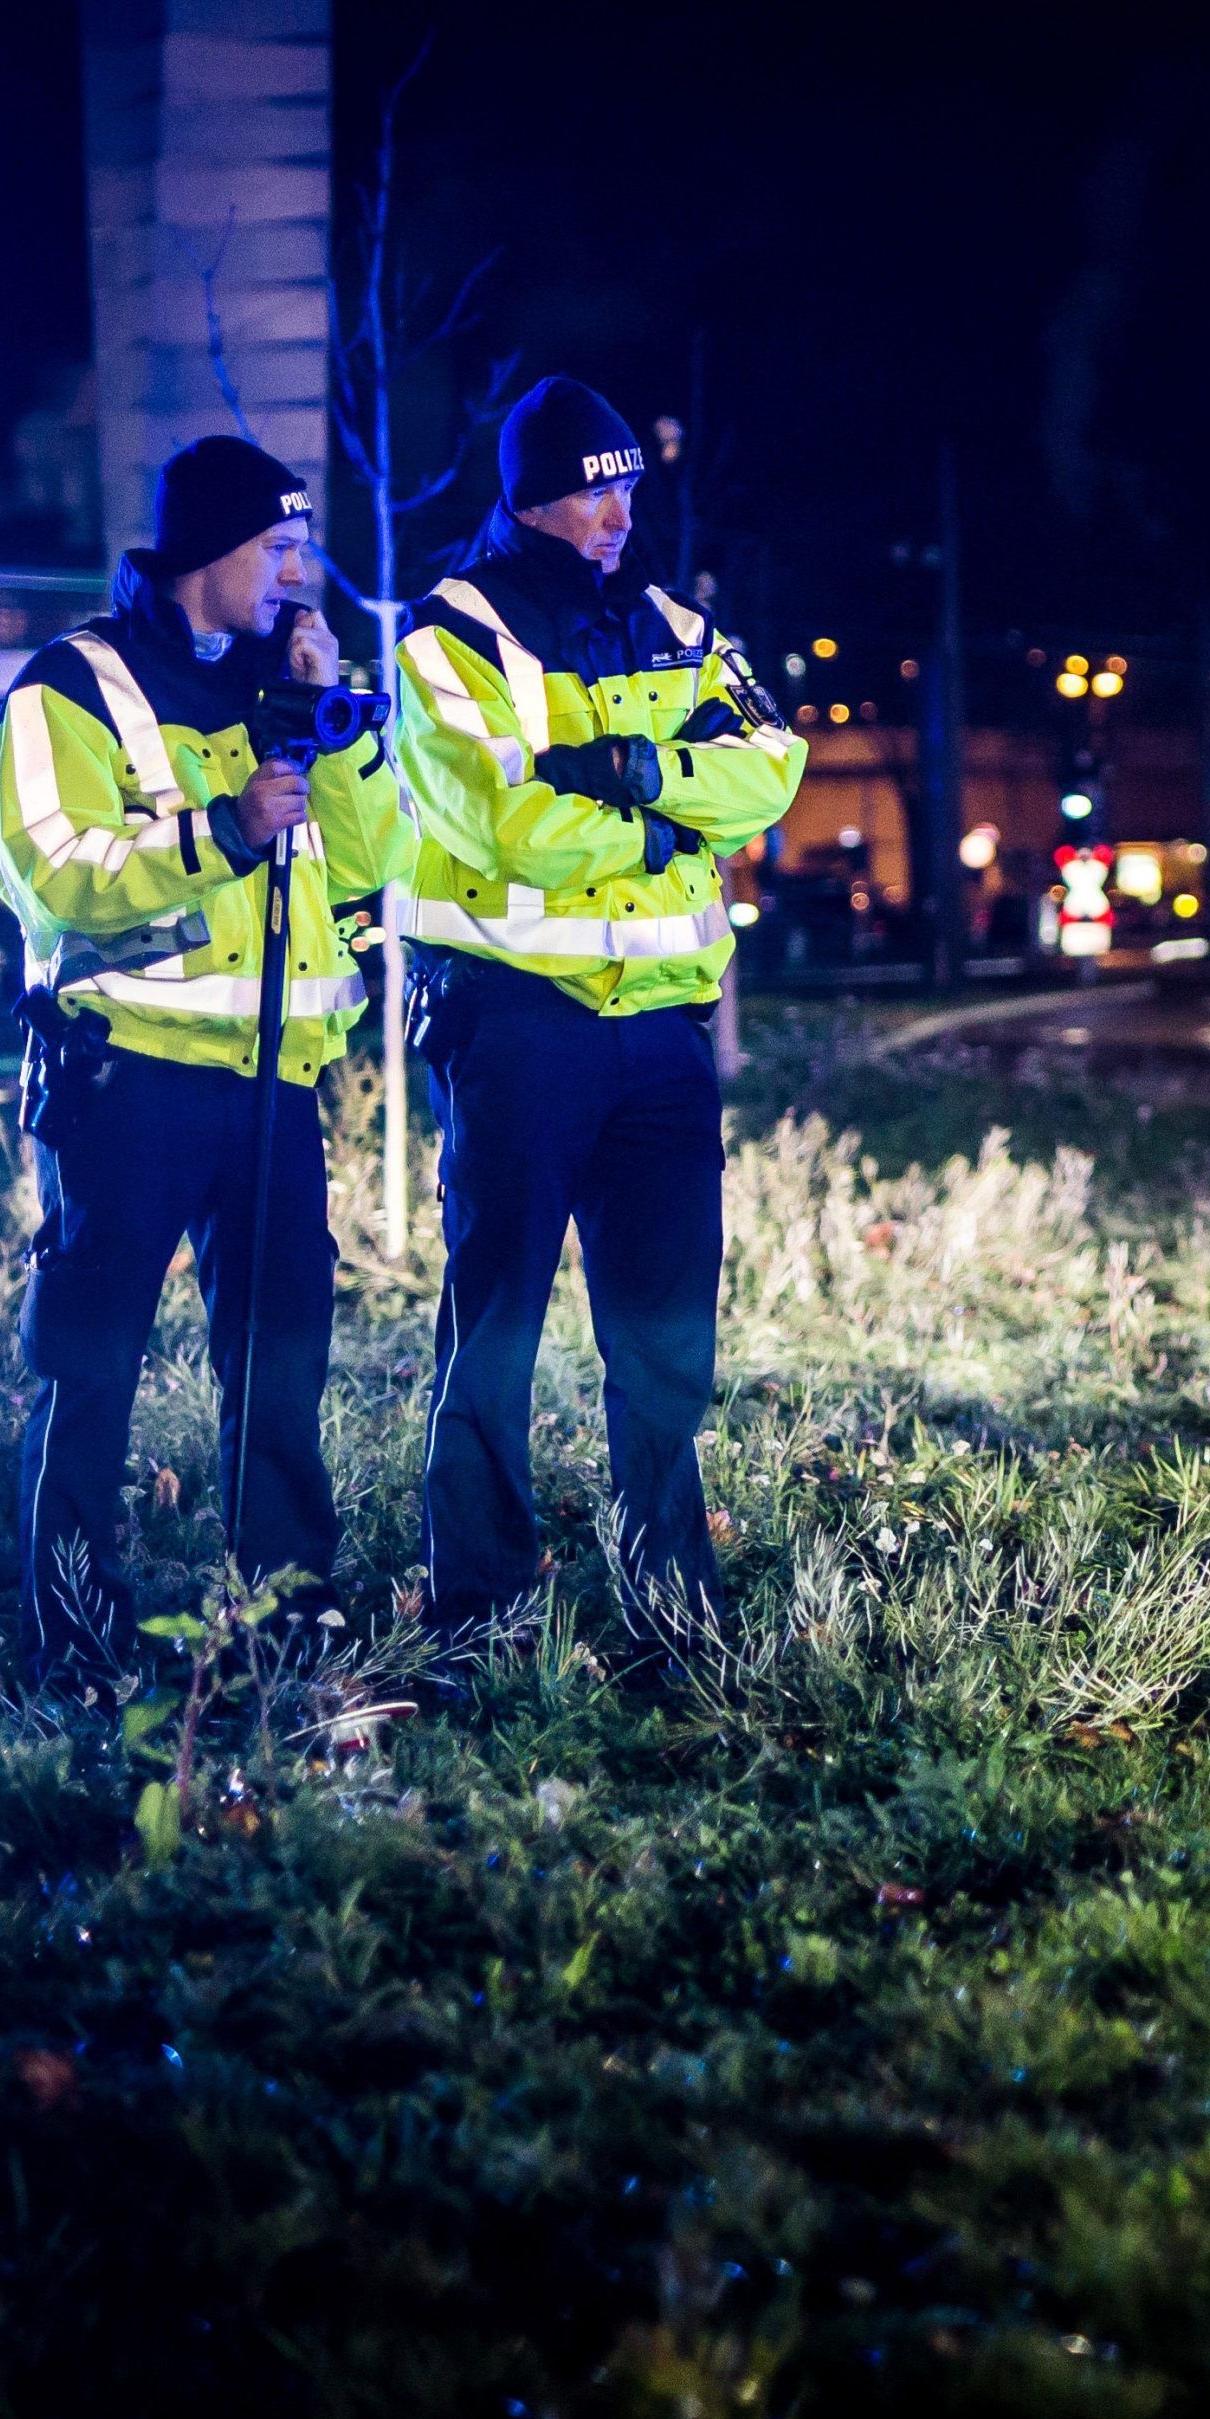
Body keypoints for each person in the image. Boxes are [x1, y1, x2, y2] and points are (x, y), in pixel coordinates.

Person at [0, 436, 413, 1677]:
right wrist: (222, 829)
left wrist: (338, 727)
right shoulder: (72, 682)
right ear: (211, 551)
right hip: (127, 1079)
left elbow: (375, 856)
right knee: (87, 1358)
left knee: (281, 1360)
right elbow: (55, 874)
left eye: (299, 550)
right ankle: (72, 1632)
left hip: (275, 1079)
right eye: (276, 548)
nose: (295, 572)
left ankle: (285, 1612)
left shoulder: (288, 676)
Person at [391, 377, 805, 1637]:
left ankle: (674, 1596)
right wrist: (678, 821)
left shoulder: (676, 620)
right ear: (531, 496)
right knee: (497, 1325)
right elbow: (507, 824)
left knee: (668, 1333)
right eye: (590, 489)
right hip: (515, 1026)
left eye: (626, 486)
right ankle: (480, 1605)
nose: (617, 512)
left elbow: (773, 769)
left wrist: (634, 771)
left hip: (661, 1039)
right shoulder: (449, 632)